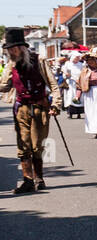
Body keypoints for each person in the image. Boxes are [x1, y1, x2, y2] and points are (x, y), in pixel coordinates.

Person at [2, 28, 58, 193]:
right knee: (23, 145)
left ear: (22, 47)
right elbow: (4, 87)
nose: (11, 51)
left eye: (14, 48)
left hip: (40, 108)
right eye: (9, 49)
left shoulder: (39, 61)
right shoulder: (10, 65)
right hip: (21, 109)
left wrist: (56, 104)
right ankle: (27, 180)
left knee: (37, 146)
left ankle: (39, 177)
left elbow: (53, 85)